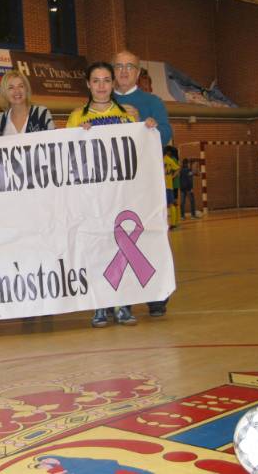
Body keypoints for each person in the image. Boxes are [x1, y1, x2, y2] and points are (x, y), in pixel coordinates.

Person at [66, 61, 158, 329]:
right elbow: (68, 155)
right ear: (88, 84)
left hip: (121, 194)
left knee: (122, 248)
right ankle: (100, 304)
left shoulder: (127, 113)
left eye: (107, 80)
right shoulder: (76, 116)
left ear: (113, 84)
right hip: (92, 196)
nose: (101, 86)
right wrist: (77, 136)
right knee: (96, 249)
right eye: (96, 81)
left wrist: (147, 127)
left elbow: (139, 148)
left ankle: (123, 304)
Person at [113, 50, 174, 319]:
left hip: (146, 186)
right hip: (116, 187)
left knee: (150, 236)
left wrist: (143, 124)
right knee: (115, 239)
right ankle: (120, 297)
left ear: (138, 72)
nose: (124, 71)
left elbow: (166, 134)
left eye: (130, 66)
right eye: (119, 66)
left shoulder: (152, 102)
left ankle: (157, 295)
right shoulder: (102, 100)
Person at [0, 70, 54, 136]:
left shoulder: (42, 114)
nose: (17, 91)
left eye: (21, 86)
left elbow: (53, 139)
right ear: (4, 92)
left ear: (26, 89)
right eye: (11, 88)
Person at [164, 145, 181, 229]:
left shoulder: (165, 159)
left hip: (168, 185)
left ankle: (174, 223)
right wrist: (173, 176)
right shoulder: (172, 159)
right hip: (171, 185)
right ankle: (176, 222)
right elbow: (178, 168)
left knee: (171, 204)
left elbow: (177, 169)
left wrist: (173, 177)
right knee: (173, 203)